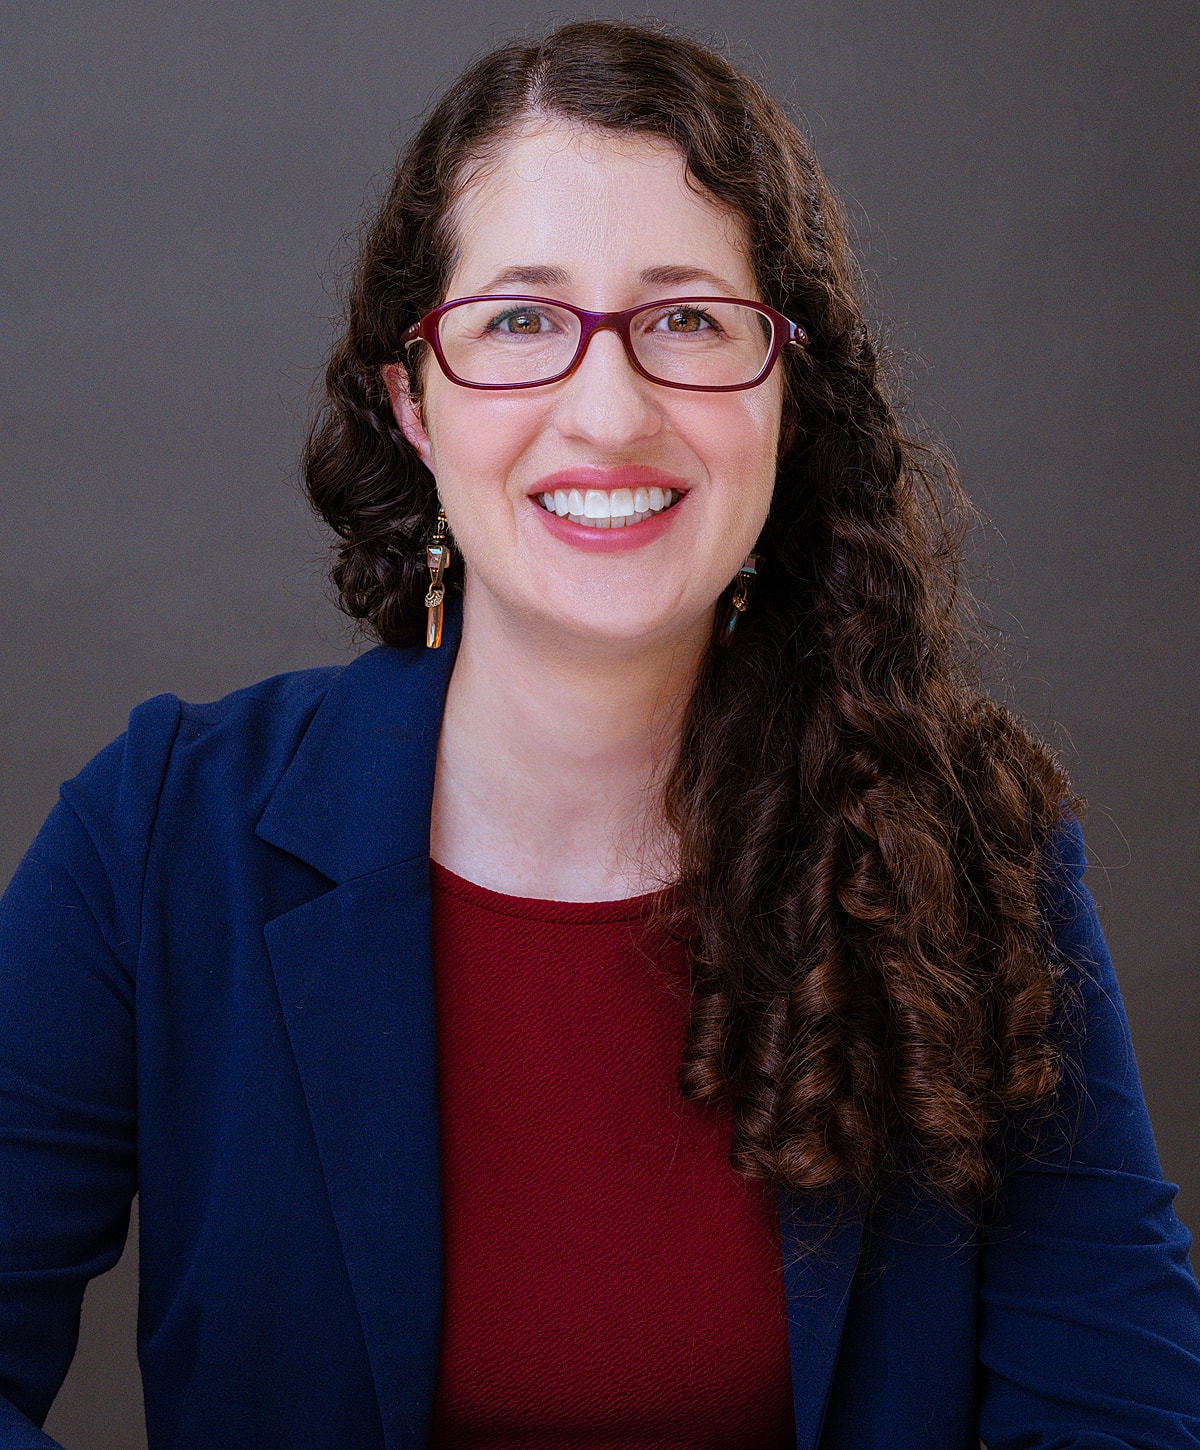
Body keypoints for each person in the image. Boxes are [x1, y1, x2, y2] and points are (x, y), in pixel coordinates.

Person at [1, 18, 1198, 1450]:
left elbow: (1121, 1414)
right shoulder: (156, 836)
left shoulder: (970, 851)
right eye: (519, 320)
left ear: (786, 398)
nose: (610, 408)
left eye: (687, 318)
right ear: (414, 405)